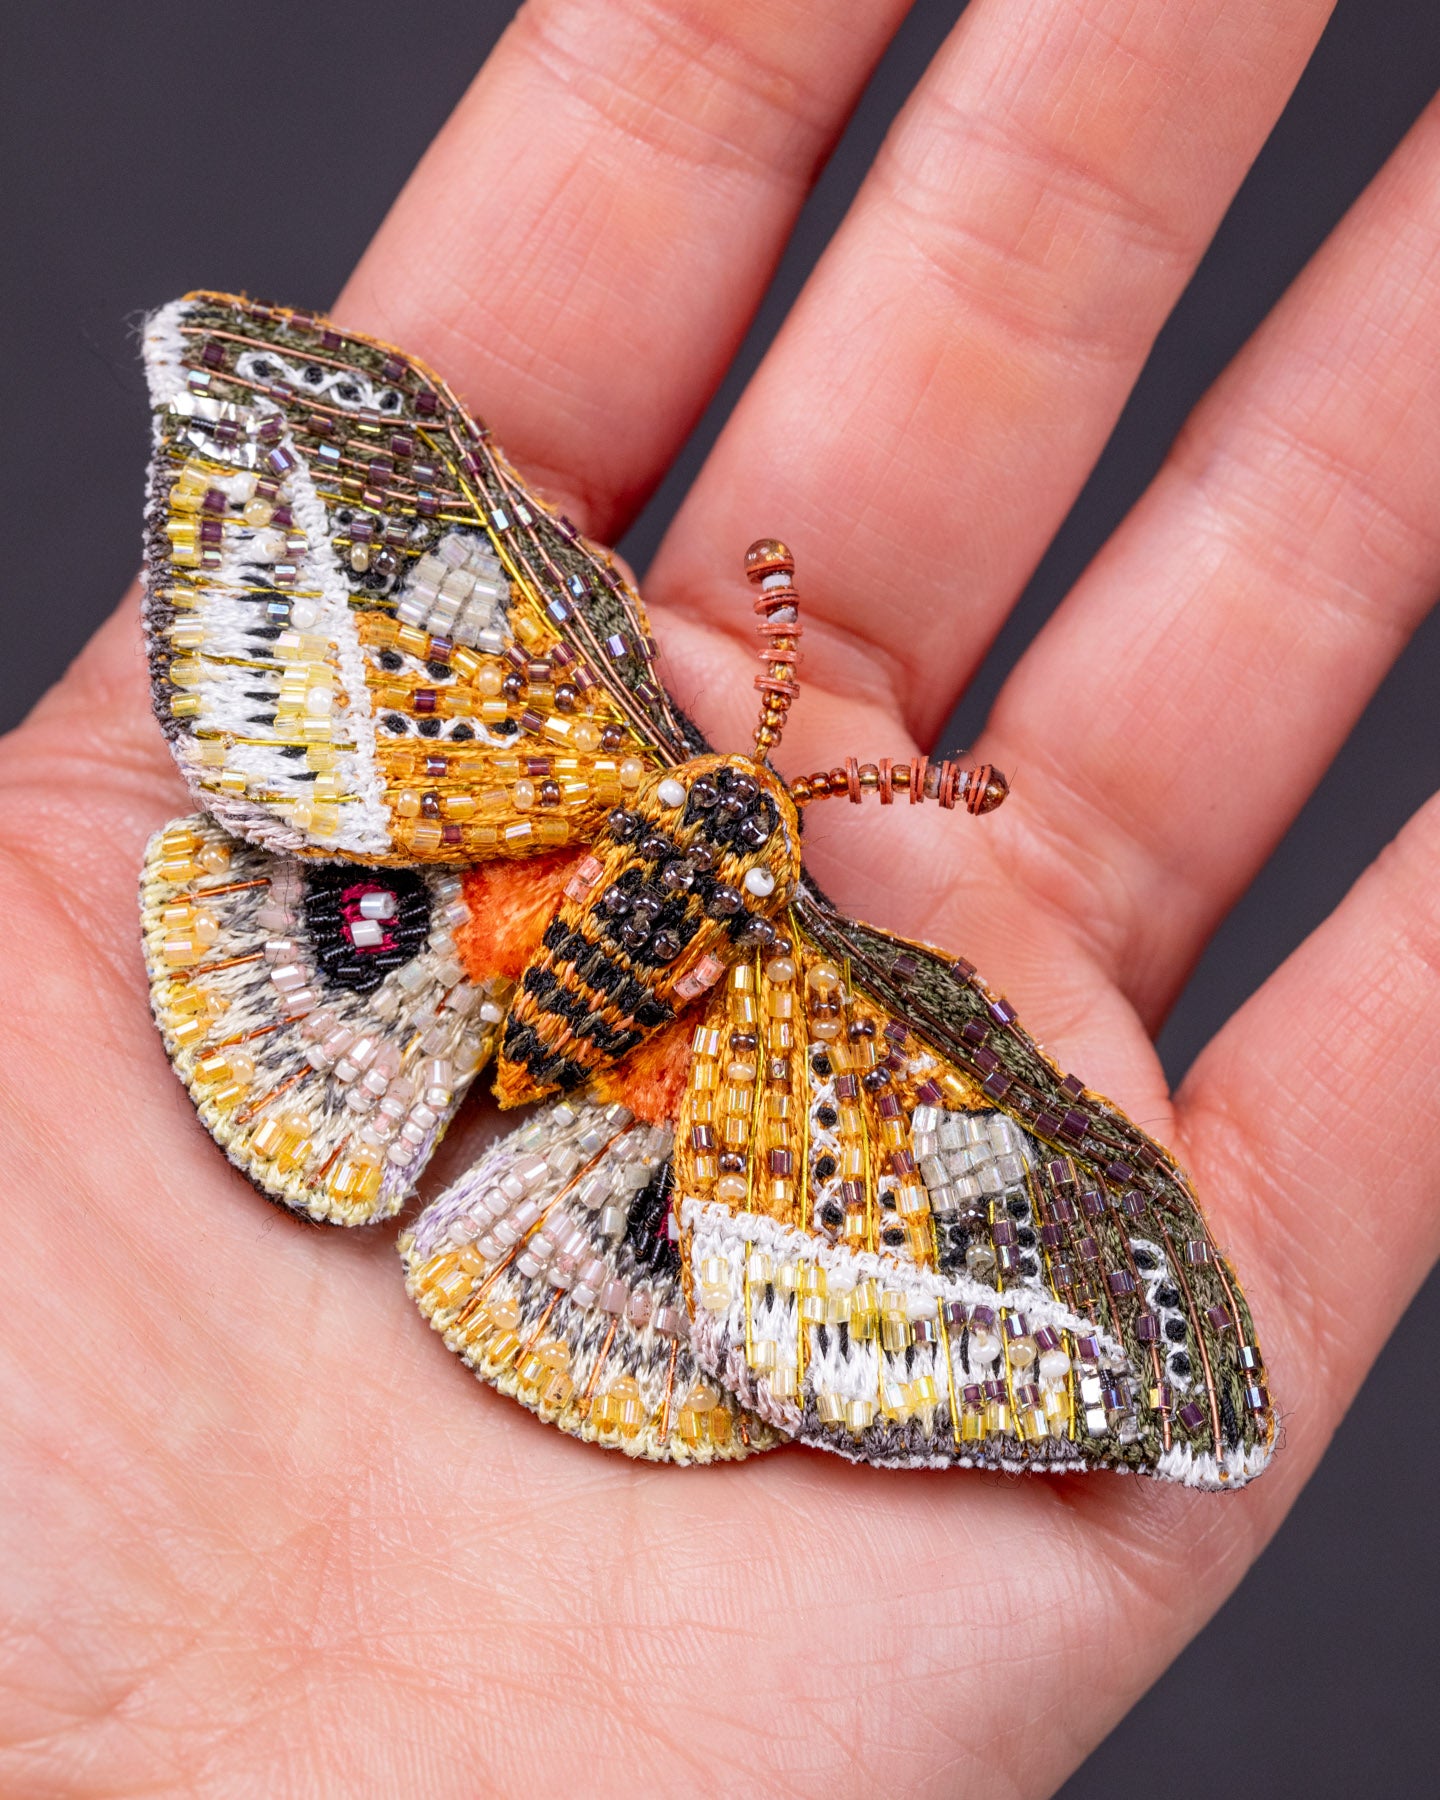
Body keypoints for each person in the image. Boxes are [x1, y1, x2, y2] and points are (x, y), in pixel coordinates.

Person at [3, 1, 1438, 1792]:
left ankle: (581, 1190)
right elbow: (274, 418)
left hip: (437, 997)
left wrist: (1134, 1327)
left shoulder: (759, 910)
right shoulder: (729, 868)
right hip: (457, 997)